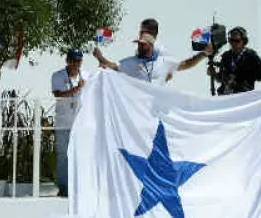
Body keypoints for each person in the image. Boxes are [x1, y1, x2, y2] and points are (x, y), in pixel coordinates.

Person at [93, 34, 212, 87]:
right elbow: (114, 66)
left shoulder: (164, 61)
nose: (140, 47)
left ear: (151, 46)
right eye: (139, 44)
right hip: (138, 109)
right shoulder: (130, 62)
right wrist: (100, 57)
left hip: (157, 110)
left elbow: (185, 64)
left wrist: (203, 54)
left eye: (143, 45)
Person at [50, 49, 85, 197]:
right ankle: (63, 187)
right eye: (73, 60)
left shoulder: (85, 76)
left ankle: (78, 186)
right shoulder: (58, 76)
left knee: (79, 155)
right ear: (67, 61)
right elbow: (57, 94)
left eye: (78, 61)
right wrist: (76, 89)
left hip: (80, 123)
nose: (76, 64)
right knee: (63, 155)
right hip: (63, 122)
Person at [211, 26, 261, 94]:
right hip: (225, 97)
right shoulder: (226, 56)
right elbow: (220, 79)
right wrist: (213, 73)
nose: (233, 43)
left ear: (244, 41)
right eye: (231, 40)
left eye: (237, 41)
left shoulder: (251, 56)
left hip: (242, 97)